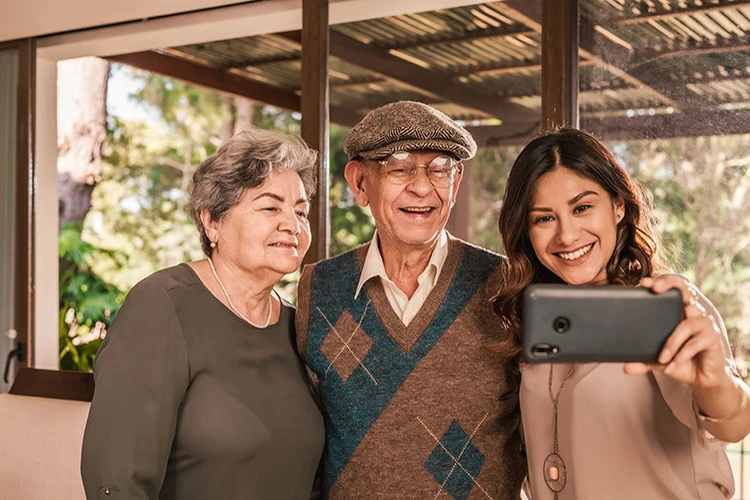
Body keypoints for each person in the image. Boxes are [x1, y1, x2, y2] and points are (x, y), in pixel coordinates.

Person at [493, 127, 750, 499]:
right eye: (544, 218)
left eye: (582, 208)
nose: (566, 235)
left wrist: (715, 384)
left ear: (618, 207)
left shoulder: (661, 303)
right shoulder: (540, 322)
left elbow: (733, 425)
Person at [295, 101, 527, 499]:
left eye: (439, 169)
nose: (421, 187)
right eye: (399, 167)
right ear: (360, 183)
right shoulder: (319, 287)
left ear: (455, 185)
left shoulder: (507, 288)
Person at [81, 128, 325, 499]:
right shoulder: (161, 306)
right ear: (212, 221)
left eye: (301, 211)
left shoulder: (298, 325)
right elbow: (115, 481)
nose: (292, 225)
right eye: (270, 207)